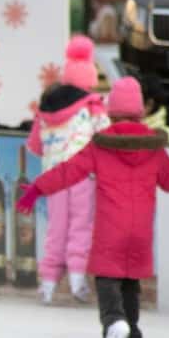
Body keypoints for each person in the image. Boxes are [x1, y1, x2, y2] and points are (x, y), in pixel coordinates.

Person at [18, 76, 169, 338]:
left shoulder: (100, 146)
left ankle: (114, 324)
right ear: (140, 111)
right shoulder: (153, 148)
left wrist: (36, 189)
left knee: (107, 282)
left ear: (110, 111)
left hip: (111, 229)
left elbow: (68, 172)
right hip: (141, 233)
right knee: (131, 285)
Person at [27, 34, 110, 304]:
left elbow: (36, 145)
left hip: (53, 176)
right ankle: (77, 281)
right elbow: (107, 136)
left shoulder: (46, 107)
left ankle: (48, 285)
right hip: (81, 175)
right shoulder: (93, 106)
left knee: (57, 228)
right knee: (80, 227)